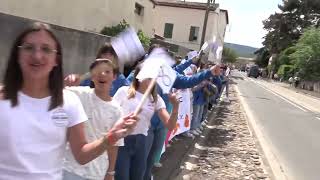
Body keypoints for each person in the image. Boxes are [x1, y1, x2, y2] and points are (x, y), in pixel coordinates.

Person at [0, 22, 137, 180]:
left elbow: (81, 155)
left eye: (45, 49)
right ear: (17, 54)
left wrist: (112, 137)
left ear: (56, 59)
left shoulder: (69, 102)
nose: (37, 55)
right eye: (29, 47)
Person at [113, 63, 180, 180]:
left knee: (137, 176)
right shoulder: (124, 91)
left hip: (143, 142)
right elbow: (111, 115)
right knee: (121, 176)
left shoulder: (156, 99)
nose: (151, 79)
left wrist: (175, 107)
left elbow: (170, 125)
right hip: (122, 141)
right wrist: (122, 122)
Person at [63, 59, 124, 180]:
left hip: (96, 173)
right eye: (99, 71)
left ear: (114, 77)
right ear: (92, 77)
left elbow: (114, 145)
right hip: (69, 167)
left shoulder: (117, 111)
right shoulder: (78, 94)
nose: (102, 74)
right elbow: (53, 92)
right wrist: (67, 83)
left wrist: (110, 172)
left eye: (107, 71)